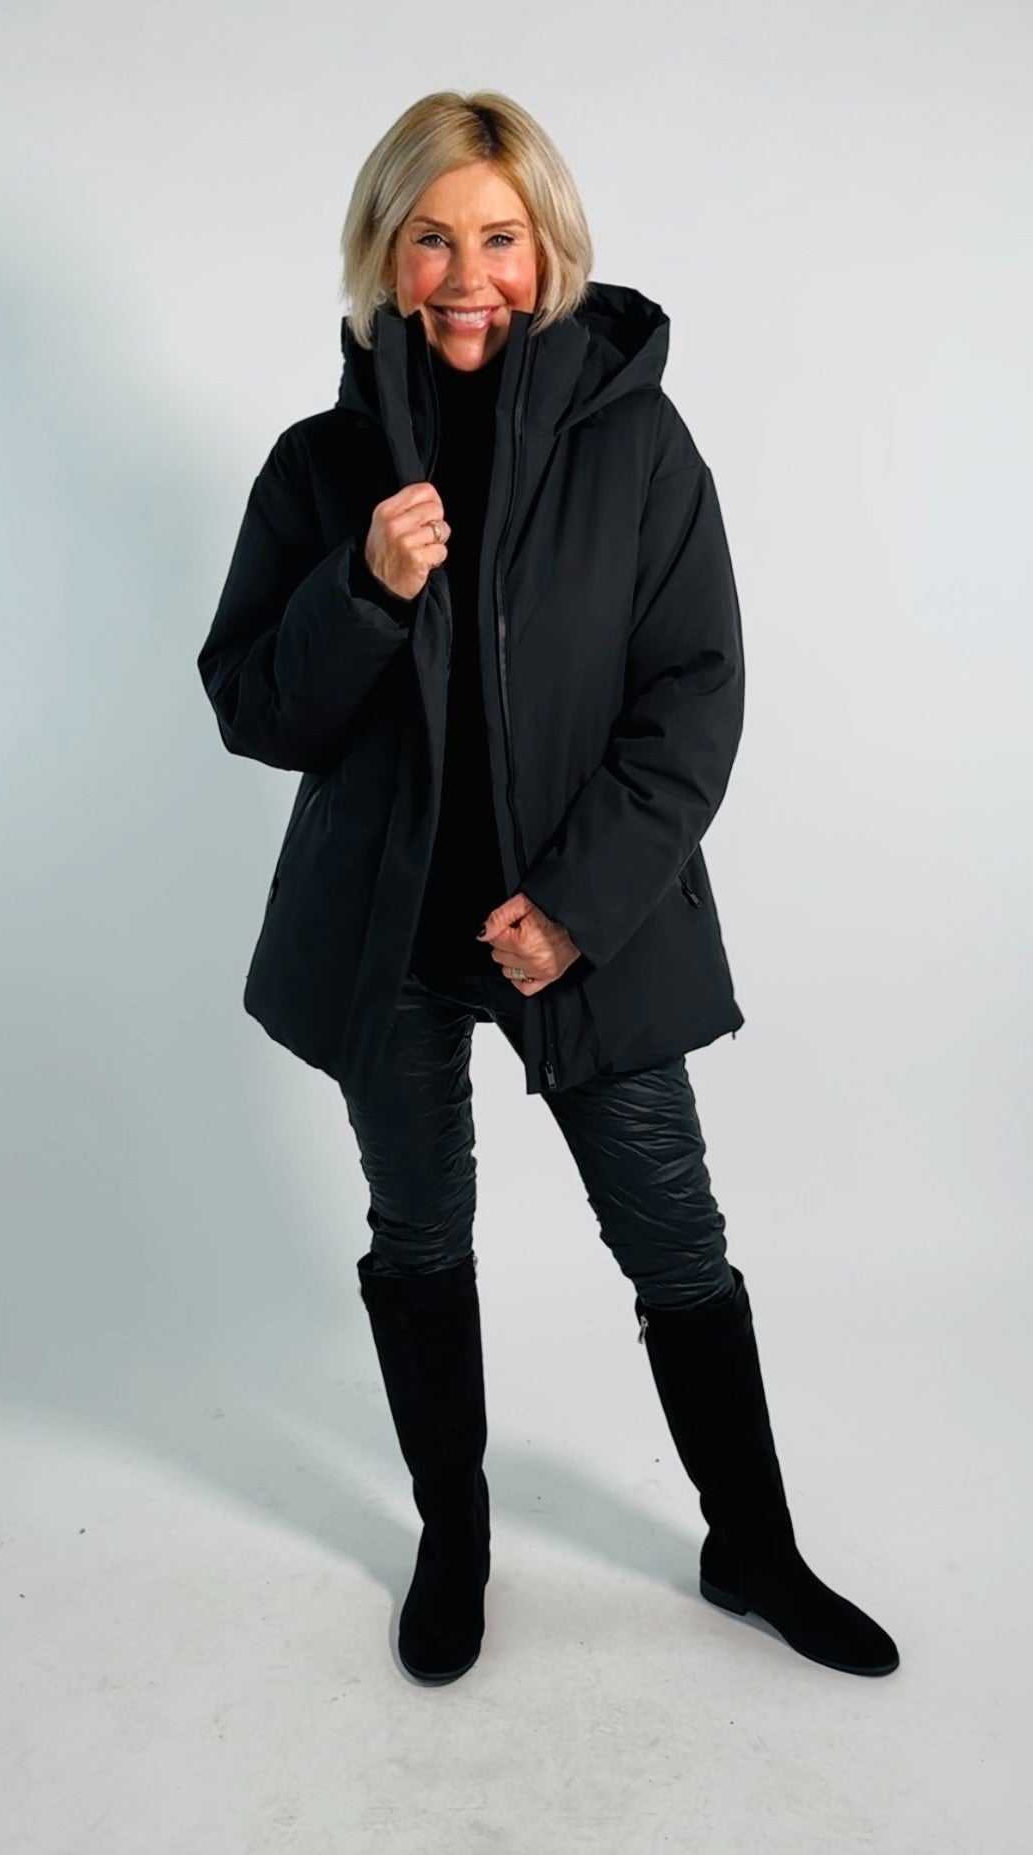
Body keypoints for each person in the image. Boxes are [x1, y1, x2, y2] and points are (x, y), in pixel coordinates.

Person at [198, 90, 899, 1687]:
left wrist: (575, 903)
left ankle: (752, 1548)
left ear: (548, 245)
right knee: (418, 1231)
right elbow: (254, 710)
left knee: (675, 1239)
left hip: (590, 930)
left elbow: (693, 697)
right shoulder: (319, 467)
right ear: (383, 252)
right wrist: (362, 589)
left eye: (499, 238)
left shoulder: (636, 448)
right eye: (430, 238)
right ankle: (455, 1540)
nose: (467, 276)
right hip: (385, 934)